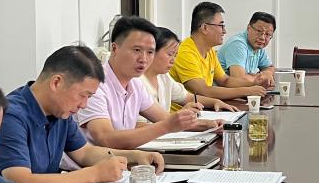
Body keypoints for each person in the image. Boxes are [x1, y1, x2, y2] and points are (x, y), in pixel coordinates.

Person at [0, 45, 164, 183]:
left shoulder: (60, 112)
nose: (84, 105)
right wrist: (95, 173)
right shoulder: (11, 116)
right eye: (83, 95)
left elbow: (85, 153)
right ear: (56, 82)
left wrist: (135, 156)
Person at [74, 16, 220, 152]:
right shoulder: (96, 84)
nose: (143, 59)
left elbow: (165, 118)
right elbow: (105, 138)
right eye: (136, 50)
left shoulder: (135, 83)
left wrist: (211, 125)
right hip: (89, 165)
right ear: (114, 48)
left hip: (120, 160)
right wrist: (167, 126)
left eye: (150, 52)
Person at [169, 2, 267, 105]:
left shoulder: (209, 50)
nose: (224, 31)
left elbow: (225, 80)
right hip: (183, 112)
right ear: (205, 28)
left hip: (203, 109)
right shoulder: (185, 52)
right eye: (221, 26)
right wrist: (248, 91)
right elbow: (203, 91)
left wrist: (253, 83)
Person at [141, 26, 238, 118]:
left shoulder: (164, 77)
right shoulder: (139, 83)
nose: (173, 60)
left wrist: (215, 102)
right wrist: (176, 117)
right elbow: (140, 125)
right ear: (151, 52)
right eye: (170, 54)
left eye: (175, 55)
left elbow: (187, 97)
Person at [218, 12, 277, 87]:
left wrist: (267, 73)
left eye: (267, 34)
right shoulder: (237, 44)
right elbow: (239, 79)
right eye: (259, 31)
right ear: (248, 28)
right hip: (223, 91)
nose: (262, 38)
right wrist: (260, 78)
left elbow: (270, 67)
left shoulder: (258, 45)